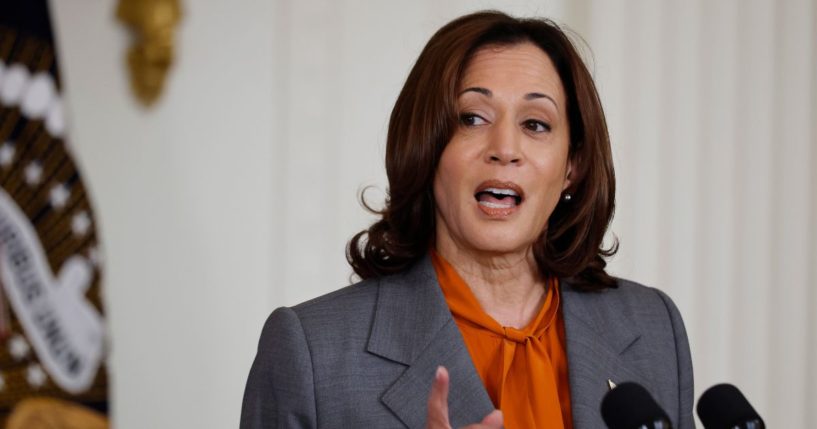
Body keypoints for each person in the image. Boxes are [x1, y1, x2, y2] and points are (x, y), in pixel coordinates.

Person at [241, 10, 694, 429]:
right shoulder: (314, 353)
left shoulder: (654, 328)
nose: (504, 148)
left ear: (572, 166)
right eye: (472, 118)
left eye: (536, 124)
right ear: (427, 147)